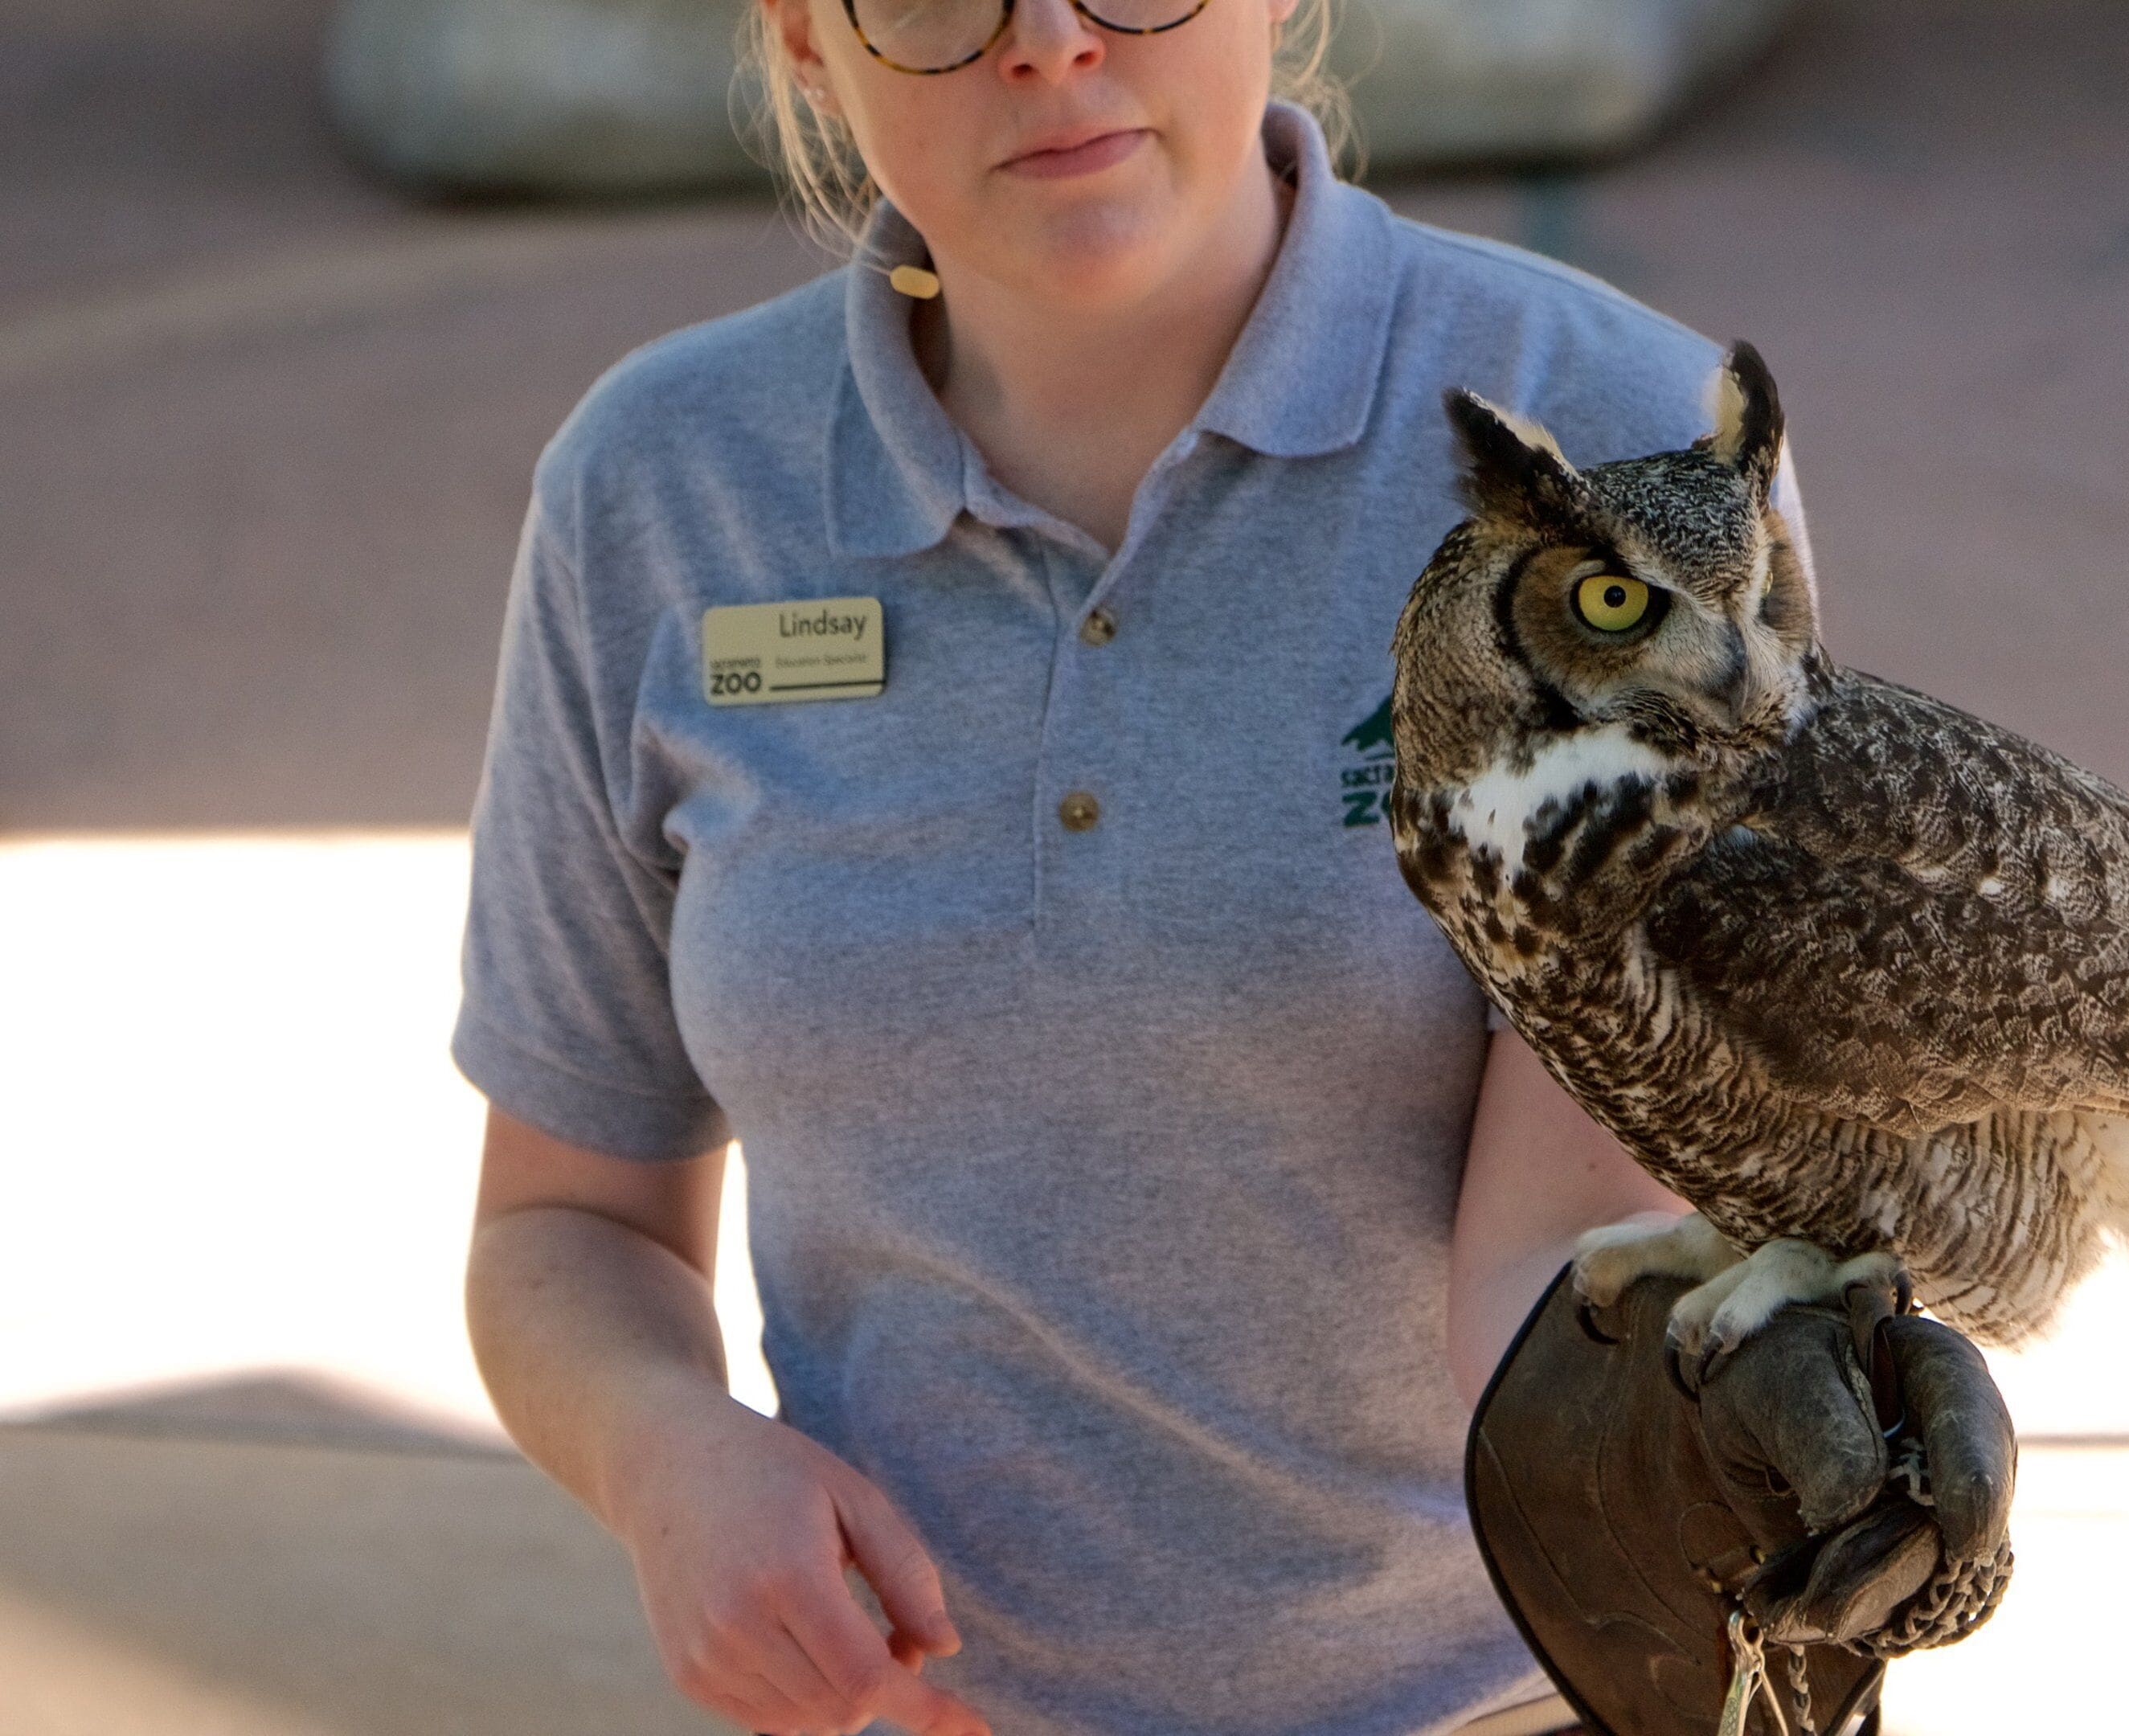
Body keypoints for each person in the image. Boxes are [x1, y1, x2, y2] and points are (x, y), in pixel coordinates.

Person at [454, 2, 1861, 1733]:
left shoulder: (1622, 452)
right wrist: (670, 1459)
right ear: (808, 41)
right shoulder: (662, 488)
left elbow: (1593, 1250)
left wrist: (1806, 1422)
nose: (1046, 42)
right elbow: (563, 1224)